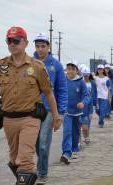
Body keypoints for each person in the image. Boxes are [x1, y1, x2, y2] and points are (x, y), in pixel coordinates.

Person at [0, 26, 62, 185]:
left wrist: (56, 116)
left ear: (25, 43)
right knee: (15, 159)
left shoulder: (37, 67)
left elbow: (49, 93)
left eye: (16, 40)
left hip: (30, 119)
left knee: (25, 160)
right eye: (9, 40)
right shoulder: (0, 66)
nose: (12, 44)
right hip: (9, 120)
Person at [33, 33, 68, 184]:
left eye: (43, 46)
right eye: (38, 46)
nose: (40, 49)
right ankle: (41, 165)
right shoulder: (29, 62)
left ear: (48, 47)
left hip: (48, 110)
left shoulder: (56, 65)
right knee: (35, 143)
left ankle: (42, 173)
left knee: (43, 143)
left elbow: (62, 89)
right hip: (31, 109)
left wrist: (60, 114)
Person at [60, 60, 90, 164]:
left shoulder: (80, 81)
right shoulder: (63, 80)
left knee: (75, 132)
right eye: (68, 69)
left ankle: (75, 149)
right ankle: (66, 153)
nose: (70, 71)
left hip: (77, 112)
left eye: (73, 69)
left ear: (77, 71)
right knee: (67, 131)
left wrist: (83, 102)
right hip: (66, 111)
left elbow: (87, 95)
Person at [80, 66, 97, 144]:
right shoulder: (80, 82)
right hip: (82, 105)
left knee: (88, 122)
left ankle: (87, 136)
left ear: (89, 74)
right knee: (80, 123)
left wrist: (95, 103)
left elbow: (95, 94)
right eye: (84, 75)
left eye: (87, 75)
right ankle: (80, 139)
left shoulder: (93, 83)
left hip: (90, 105)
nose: (86, 76)